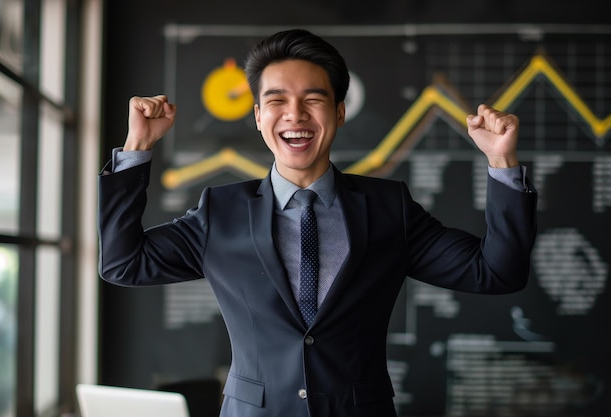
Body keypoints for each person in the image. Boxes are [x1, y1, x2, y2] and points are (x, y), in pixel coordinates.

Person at [97, 28, 537, 417]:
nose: (295, 114)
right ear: (257, 117)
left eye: (313, 99)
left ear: (339, 112)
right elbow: (123, 263)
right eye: (277, 101)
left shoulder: (388, 208)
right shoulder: (220, 211)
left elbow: (496, 271)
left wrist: (501, 161)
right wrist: (138, 146)